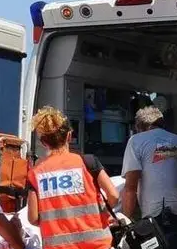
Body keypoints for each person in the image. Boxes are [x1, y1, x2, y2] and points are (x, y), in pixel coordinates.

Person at [27, 106, 119, 249]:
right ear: (69, 136)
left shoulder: (36, 174)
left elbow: (33, 218)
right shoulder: (87, 162)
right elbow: (113, 195)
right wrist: (103, 212)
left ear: (43, 142)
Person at [121, 106, 177, 249]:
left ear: (139, 127)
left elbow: (130, 188)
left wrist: (124, 222)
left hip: (156, 215)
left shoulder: (136, 141)